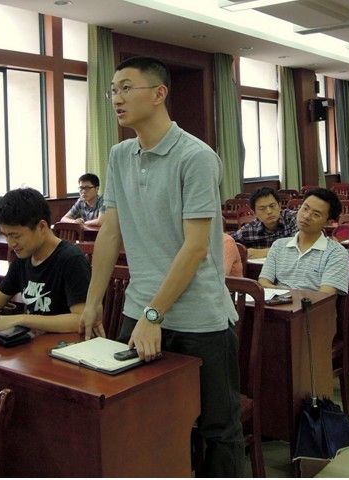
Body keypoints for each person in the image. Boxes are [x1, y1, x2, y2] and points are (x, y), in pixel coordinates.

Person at [79, 56, 243, 477]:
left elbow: (195, 248)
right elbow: (110, 232)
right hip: (139, 311)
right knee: (141, 421)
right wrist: (93, 302)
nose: (116, 98)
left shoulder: (196, 156)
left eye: (126, 88)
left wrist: (155, 314)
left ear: (158, 93)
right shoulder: (119, 155)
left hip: (198, 318)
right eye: (112, 90)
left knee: (217, 430)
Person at [0, 187, 91, 335]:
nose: (11, 244)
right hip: (34, 342)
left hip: (65, 343)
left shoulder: (71, 259)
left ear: (41, 227)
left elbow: (79, 319)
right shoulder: (23, 258)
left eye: (16, 236)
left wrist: (21, 319)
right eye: (6, 236)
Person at [258, 188, 349, 294]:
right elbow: (263, 283)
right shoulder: (278, 245)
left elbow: (325, 295)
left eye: (316, 214)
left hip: (314, 305)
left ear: (328, 222)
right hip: (278, 303)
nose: (306, 216)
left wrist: (285, 295)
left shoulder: (336, 253)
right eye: (305, 208)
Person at [231, 187, 298, 258]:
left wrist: (263, 252)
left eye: (272, 206)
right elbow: (227, 243)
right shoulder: (250, 229)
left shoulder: (293, 218)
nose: (269, 211)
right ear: (254, 213)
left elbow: (300, 245)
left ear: (279, 206)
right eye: (262, 209)